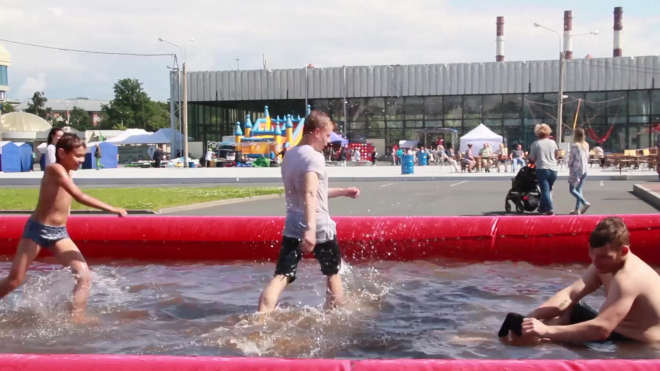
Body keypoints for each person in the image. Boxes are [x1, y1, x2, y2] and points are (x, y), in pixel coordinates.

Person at [0, 134, 127, 323]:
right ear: (61, 153)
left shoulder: (68, 171)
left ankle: (77, 317)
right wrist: (112, 208)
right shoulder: (54, 169)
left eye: (83, 156)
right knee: (14, 280)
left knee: (84, 275)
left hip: (59, 234)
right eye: (77, 156)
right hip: (37, 231)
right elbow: (79, 196)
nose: (82, 160)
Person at [257, 110, 360, 314]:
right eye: (327, 135)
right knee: (333, 272)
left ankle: (260, 318)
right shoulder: (315, 157)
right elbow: (310, 193)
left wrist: (343, 192)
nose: (328, 141)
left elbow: (310, 192)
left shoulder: (290, 155)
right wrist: (311, 230)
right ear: (316, 132)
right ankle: (335, 317)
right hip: (317, 223)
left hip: (293, 222)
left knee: (282, 275)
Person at [499, 217, 660, 343]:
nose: (595, 262)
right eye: (592, 253)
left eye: (603, 257)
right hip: (615, 331)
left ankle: (513, 349)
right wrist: (532, 317)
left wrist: (545, 331)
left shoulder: (629, 279)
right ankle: (521, 339)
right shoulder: (604, 264)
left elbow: (601, 330)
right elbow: (570, 295)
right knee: (568, 310)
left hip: (635, 344)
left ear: (623, 251)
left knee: (549, 337)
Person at [529, 124, 559, 215]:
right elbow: (556, 155)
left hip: (542, 168)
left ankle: (550, 209)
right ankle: (542, 207)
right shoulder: (552, 142)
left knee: (545, 190)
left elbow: (532, 158)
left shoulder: (536, 144)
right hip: (553, 169)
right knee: (548, 190)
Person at [568, 128, 591, 215]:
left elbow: (571, 158)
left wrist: (569, 166)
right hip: (585, 169)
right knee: (579, 189)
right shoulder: (586, 145)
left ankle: (584, 202)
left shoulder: (575, 145)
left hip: (576, 169)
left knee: (572, 189)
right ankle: (577, 209)